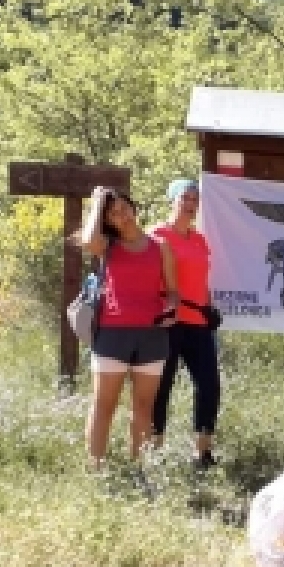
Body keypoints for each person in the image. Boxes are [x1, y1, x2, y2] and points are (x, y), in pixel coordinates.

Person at [79, 186, 179, 470]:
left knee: (144, 407)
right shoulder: (107, 246)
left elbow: (173, 291)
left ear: (133, 207)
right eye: (113, 213)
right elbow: (87, 241)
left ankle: (139, 470)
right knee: (104, 404)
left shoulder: (161, 246)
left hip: (153, 335)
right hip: (112, 335)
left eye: (123, 207)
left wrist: (171, 308)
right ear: (106, 220)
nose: (120, 215)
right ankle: (95, 468)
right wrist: (98, 202)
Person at [150, 179, 222, 471]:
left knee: (209, 386)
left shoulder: (200, 239)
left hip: (198, 324)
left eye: (195, 199)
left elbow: (201, 280)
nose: (191, 204)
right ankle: (154, 451)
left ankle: (203, 453)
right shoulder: (157, 235)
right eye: (185, 198)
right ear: (172, 200)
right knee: (161, 386)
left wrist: (209, 307)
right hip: (168, 323)